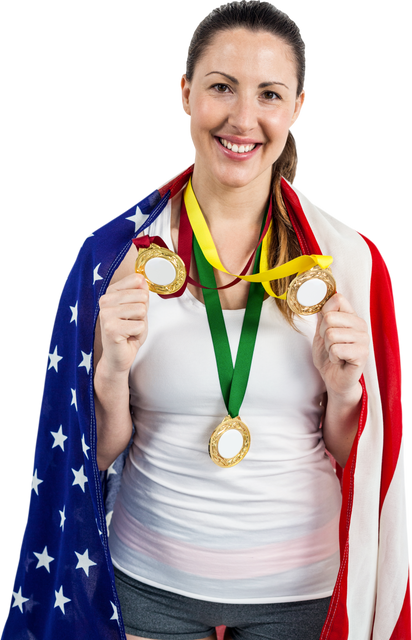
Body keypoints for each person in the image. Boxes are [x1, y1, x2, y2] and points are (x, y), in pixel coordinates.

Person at [2, 2, 409, 640]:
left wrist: (344, 387)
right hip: (150, 591)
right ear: (185, 94)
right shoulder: (114, 256)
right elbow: (92, 456)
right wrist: (110, 367)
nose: (242, 119)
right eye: (222, 87)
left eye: (268, 94)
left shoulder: (348, 264)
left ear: (297, 107)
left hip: (300, 596)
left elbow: (353, 455)